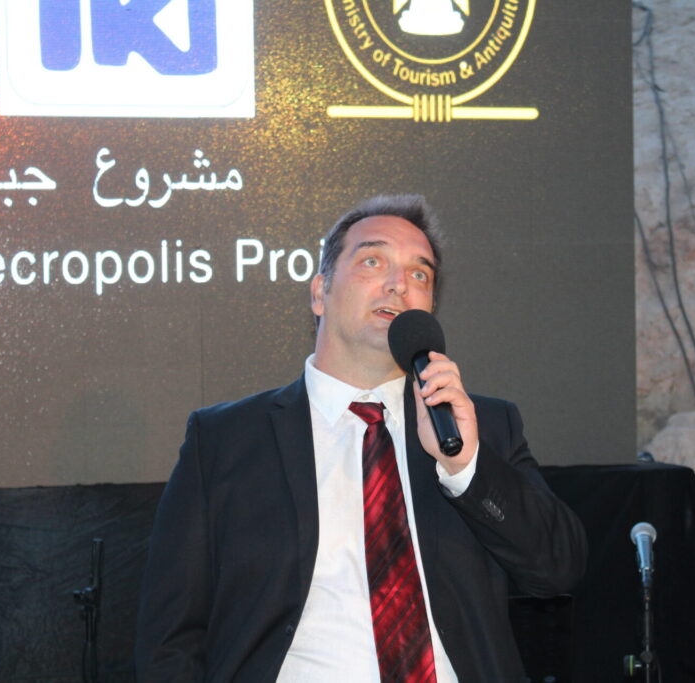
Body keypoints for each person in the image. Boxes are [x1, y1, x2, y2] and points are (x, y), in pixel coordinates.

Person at [135, 195, 587, 682]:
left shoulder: (480, 426)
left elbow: (556, 570)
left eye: (420, 274)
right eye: (373, 261)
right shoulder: (224, 441)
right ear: (319, 293)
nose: (399, 284)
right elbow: (170, 639)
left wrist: (465, 466)